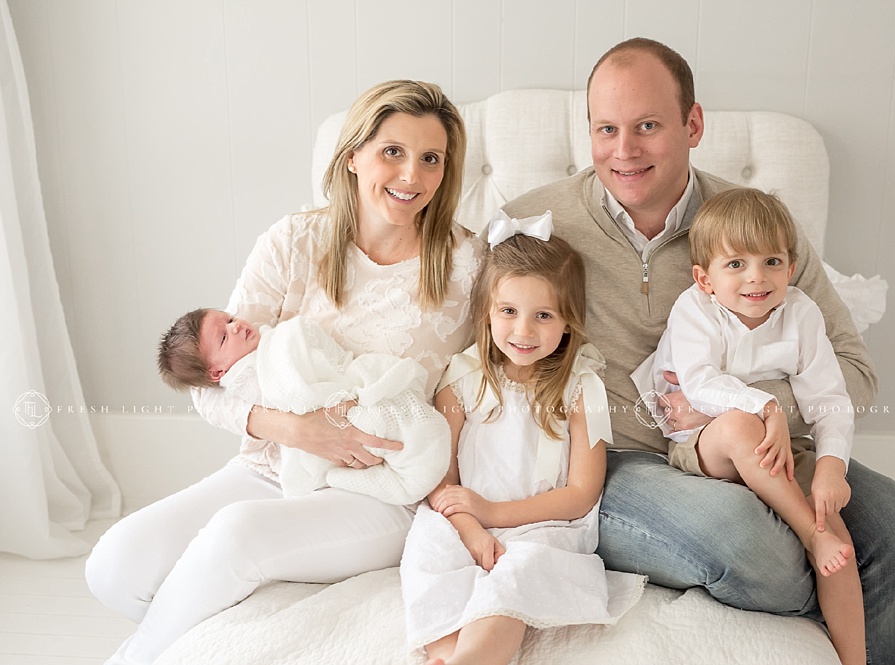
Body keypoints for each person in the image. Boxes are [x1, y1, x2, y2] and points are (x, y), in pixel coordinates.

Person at [497, 38, 895, 665]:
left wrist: (747, 411)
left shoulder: (758, 230)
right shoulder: (535, 224)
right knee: (747, 545)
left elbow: (853, 370)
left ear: (693, 124)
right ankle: (860, 609)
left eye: (648, 126)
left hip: (763, 447)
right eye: (606, 129)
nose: (623, 151)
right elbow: (484, 355)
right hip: (616, 463)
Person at [86, 80, 481, 664]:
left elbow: (487, 377)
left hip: (380, 487)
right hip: (272, 469)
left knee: (235, 535)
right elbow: (212, 385)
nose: (412, 175)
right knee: (112, 569)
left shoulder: (469, 264)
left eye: (431, 159)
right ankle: (229, 624)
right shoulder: (294, 241)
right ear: (354, 156)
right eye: (392, 151)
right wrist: (300, 431)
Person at [631, 187, 867, 664]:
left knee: (839, 539)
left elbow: (830, 399)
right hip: (701, 443)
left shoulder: (800, 313)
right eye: (736, 264)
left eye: (772, 262)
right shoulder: (695, 310)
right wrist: (768, 407)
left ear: (791, 268)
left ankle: (854, 658)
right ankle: (808, 532)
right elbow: (697, 386)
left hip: (777, 449)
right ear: (705, 278)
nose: (756, 277)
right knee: (740, 425)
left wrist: (830, 467)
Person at [400, 222, 645, 665]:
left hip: (542, 524)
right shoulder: (461, 380)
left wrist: (495, 515)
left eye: (544, 315)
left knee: (518, 575)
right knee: (428, 553)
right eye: (508, 311)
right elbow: (439, 475)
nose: (524, 330)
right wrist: (473, 529)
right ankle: (444, 652)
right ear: (487, 314)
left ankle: (472, 657)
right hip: (460, 518)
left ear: (569, 322)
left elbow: (581, 494)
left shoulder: (581, 388)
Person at [153, 308, 450, 505]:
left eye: (230, 319)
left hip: (347, 389)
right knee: (400, 436)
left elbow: (325, 360)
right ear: (218, 373)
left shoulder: (276, 338)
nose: (236, 326)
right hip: (327, 416)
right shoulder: (243, 378)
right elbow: (293, 396)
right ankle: (408, 465)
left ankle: (414, 451)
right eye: (223, 336)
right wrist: (299, 425)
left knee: (412, 423)